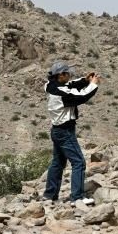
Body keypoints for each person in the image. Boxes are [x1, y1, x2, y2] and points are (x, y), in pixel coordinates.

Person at [43, 60, 101, 204]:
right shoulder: (62, 93)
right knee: (79, 162)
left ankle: (50, 195)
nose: (69, 75)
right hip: (65, 131)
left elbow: (70, 85)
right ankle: (77, 197)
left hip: (57, 130)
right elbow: (82, 96)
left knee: (57, 163)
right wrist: (93, 84)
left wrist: (85, 80)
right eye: (67, 73)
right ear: (61, 75)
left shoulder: (51, 85)